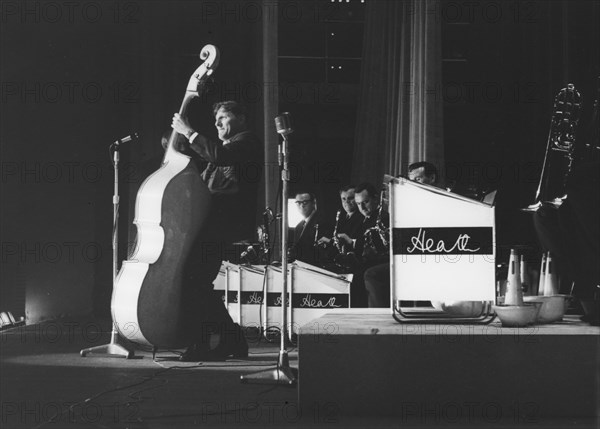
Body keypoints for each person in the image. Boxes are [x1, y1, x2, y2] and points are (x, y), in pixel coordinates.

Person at [169, 100, 263, 360]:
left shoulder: (247, 143)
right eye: (216, 120)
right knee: (195, 281)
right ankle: (230, 340)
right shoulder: (226, 148)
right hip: (211, 225)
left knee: (194, 280)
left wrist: (189, 132)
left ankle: (211, 342)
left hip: (221, 227)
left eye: (223, 117)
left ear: (242, 118)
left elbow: (220, 157)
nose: (218, 123)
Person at [363, 162, 438, 308]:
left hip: (425, 260)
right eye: (411, 180)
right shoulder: (415, 203)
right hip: (412, 256)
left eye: (418, 179)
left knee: (372, 275)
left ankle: (381, 318)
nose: (413, 184)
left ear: (432, 178)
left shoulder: (435, 202)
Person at [334, 182, 389, 307]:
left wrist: (352, 243)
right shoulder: (366, 218)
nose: (362, 208)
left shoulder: (382, 218)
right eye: (358, 204)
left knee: (359, 277)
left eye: (366, 202)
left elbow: (380, 247)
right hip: (365, 262)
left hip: (377, 262)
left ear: (375, 199)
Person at [290, 192, 331, 266]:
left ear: (313, 203)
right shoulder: (298, 227)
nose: (302, 205)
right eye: (298, 203)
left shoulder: (322, 222)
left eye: (305, 202)